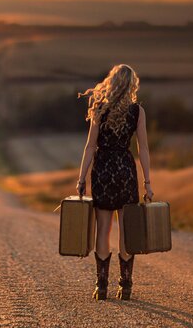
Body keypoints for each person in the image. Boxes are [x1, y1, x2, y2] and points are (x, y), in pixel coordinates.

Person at [76, 64, 154, 301]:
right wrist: (148, 182)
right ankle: (126, 285)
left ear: (111, 82)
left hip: (103, 171)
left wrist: (81, 178)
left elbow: (90, 146)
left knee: (103, 229)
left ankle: (101, 286)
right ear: (132, 84)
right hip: (125, 171)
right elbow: (143, 149)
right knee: (126, 232)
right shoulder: (137, 111)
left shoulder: (99, 108)